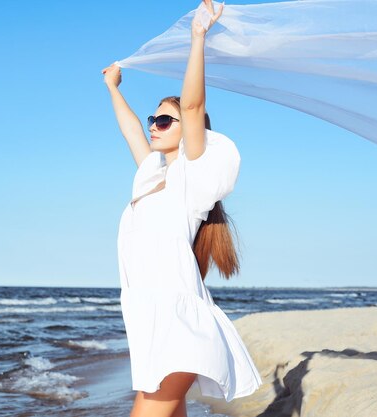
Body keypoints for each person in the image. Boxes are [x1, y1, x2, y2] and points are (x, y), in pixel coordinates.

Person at [102, 2, 262, 416]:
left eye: (164, 121)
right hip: (149, 321)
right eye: (154, 118)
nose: (154, 124)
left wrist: (197, 38)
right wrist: (114, 88)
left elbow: (191, 106)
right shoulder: (151, 176)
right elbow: (131, 129)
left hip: (179, 327)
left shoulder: (194, 177)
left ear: (189, 132)